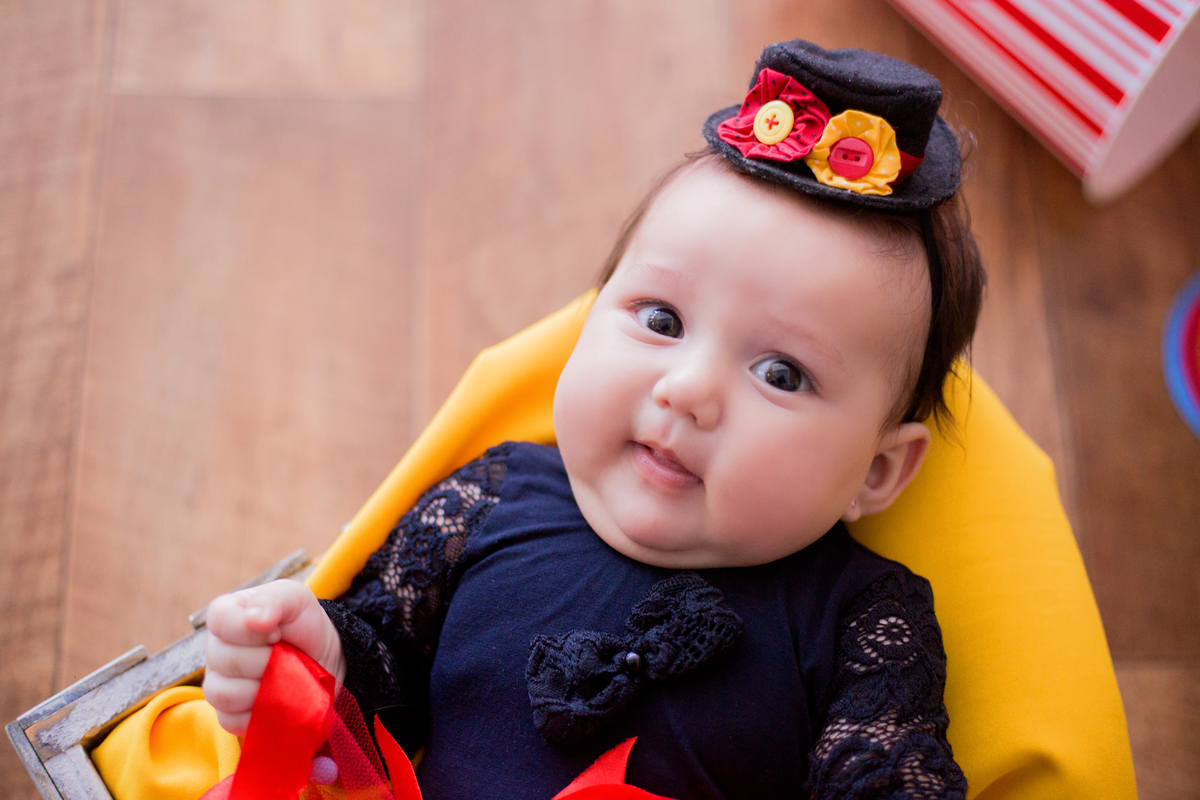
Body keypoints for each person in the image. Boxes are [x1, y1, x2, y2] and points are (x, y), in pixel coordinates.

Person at [202, 39, 983, 799]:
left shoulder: (858, 618)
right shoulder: (492, 501)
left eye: (781, 373)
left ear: (876, 471)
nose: (687, 390)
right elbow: (385, 678)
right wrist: (319, 659)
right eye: (663, 321)